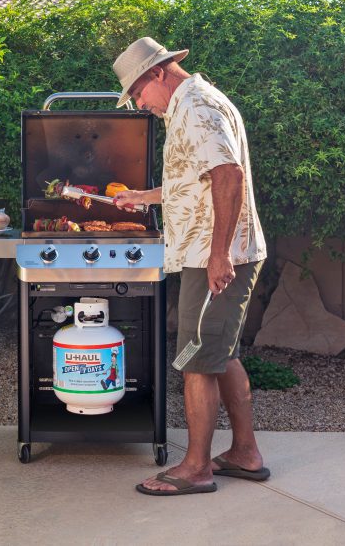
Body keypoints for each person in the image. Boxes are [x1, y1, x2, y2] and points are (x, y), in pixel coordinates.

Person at [110, 37, 270, 496]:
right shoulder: (190, 105)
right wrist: (143, 197)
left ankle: (197, 468)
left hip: (212, 257)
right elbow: (195, 178)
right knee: (222, 355)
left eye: (139, 93)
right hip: (212, 253)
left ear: (159, 73)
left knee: (196, 361)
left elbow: (228, 175)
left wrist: (219, 254)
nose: (141, 104)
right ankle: (245, 454)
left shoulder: (196, 106)